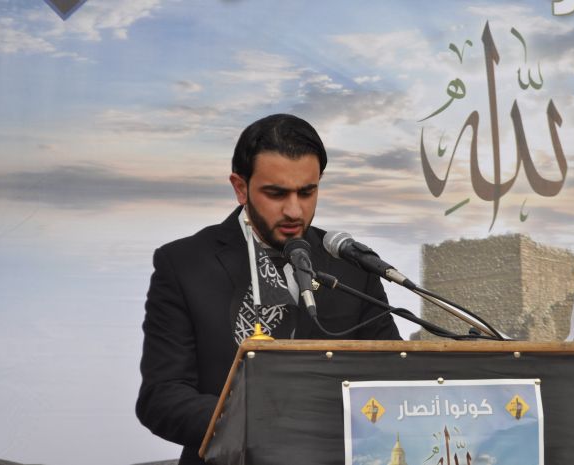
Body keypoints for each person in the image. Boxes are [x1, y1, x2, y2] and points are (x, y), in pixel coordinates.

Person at [136, 114, 401, 464]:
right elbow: (162, 397)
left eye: (307, 192)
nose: (294, 210)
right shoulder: (184, 264)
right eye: (276, 193)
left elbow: (392, 376)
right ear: (240, 187)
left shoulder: (352, 265)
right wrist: (252, 425)